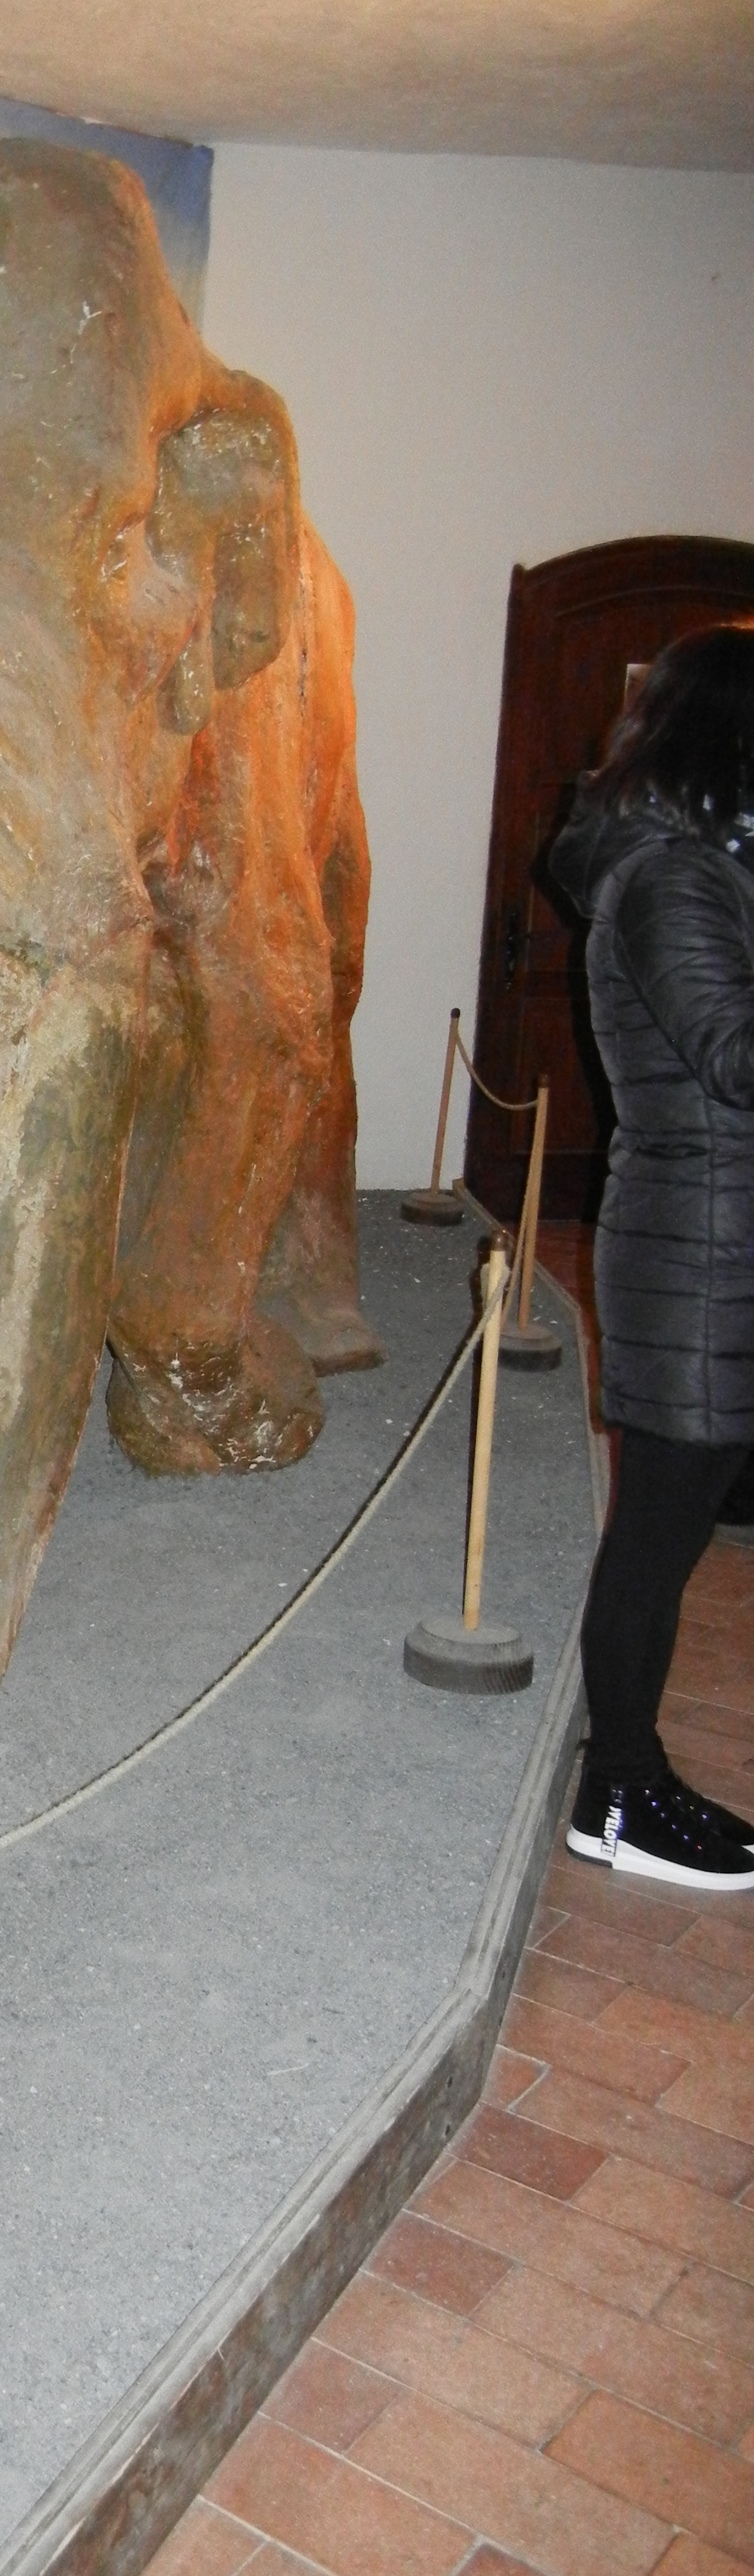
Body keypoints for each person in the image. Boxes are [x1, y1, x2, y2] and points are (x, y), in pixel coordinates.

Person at [551, 624, 754, 1891]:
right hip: (700, 1254)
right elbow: (734, 1057)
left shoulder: (698, 869)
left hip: (714, 1243)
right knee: (655, 1537)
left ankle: (626, 1775)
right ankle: (618, 1790)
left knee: (674, 1524)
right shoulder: (671, 878)